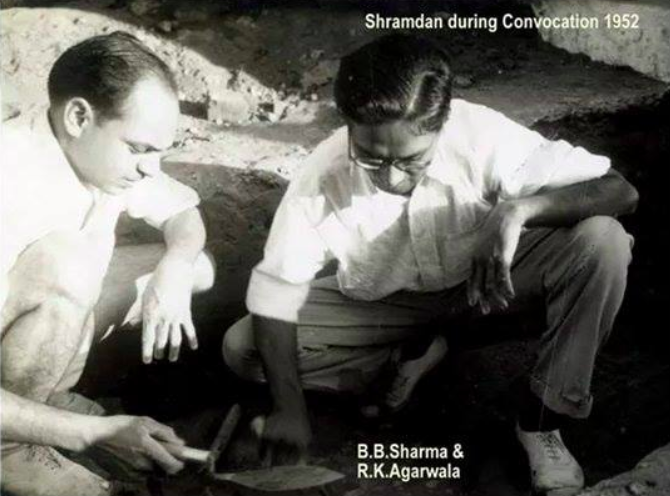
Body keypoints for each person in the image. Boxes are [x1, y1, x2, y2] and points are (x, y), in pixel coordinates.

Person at [222, 34, 638, 495]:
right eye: (371, 159)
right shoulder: (323, 175)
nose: (391, 177)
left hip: (486, 289)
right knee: (243, 348)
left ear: (441, 125)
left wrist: (519, 210)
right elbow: (276, 291)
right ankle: (409, 356)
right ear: (349, 126)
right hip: (384, 306)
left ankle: (541, 421)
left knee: (602, 243)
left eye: (411, 160)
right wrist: (288, 408)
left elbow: (620, 191)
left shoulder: (482, 135)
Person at [1, 32, 215, 496]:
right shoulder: (10, 177)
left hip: (24, 347)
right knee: (68, 264)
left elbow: (183, 214)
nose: (151, 168)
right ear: (79, 117)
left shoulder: (96, 153)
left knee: (196, 268)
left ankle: (49, 398)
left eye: (160, 151)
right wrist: (92, 433)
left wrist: (176, 268)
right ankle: (10, 450)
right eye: (140, 149)